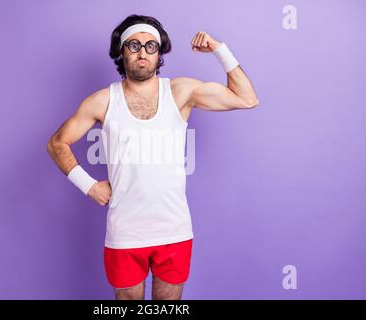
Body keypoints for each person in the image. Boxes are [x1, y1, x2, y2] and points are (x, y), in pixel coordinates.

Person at [47, 14, 259, 300]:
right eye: (133, 45)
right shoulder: (102, 101)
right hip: (125, 232)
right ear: (121, 52)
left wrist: (220, 49)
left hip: (174, 229)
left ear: (159, 53)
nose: (142, 52)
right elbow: (58, 143)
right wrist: (88, 185)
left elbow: (247, 98)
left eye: (150, 46)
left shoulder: (180, 92)